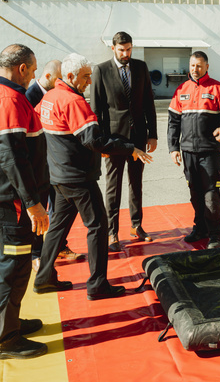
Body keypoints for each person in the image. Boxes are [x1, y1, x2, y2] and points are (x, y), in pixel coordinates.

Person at [33, 53, 152, 300]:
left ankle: (43, 277)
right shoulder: (72, 101)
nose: (89, 81)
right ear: (69, 77)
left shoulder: (49, 98)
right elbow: (94, 139)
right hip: (78, 177)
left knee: (57, 227)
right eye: (86, 77)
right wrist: (129, 148)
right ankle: (97, 284)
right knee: (98, 225)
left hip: (58, 176)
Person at [0, 43, 50, 360]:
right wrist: (32, 203)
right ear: (22, 69)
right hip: (11, 200)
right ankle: (5, 339)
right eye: (32, 70)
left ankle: (7, 322)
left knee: (0, 258)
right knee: (14, 265)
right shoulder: (7, 98)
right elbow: (12, 156)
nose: (32, 76)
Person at [91, 32, 158, 252]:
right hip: (114, 139)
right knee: (113, 187)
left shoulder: (140, 67)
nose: (126, 54)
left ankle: (136, 225)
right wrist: (100, 143)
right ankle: (112, 232)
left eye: (129, 49)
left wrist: (153, 134)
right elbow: (96, 110)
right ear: (113, 49)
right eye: (121, 50)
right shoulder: (101, 71)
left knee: (136, 183)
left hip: (138, 136)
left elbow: (149, 101)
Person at [168, 51, 220, 249]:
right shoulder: (181, 89)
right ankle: (200, 228)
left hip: (209, 152)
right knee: (195, 194)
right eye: (192, 65)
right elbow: (173, 122)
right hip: (188, 152)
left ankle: (215, 234)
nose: (195, 69)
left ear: (207, 67)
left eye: (199, 66)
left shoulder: (218, 88)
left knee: (210, 195)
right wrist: (173, 148)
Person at [25, 59, 84, 270]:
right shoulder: (29, 97)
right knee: (40, 209)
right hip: (39, 165)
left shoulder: (61, 94)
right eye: (60, 78)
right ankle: (36, 252)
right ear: (49, 77)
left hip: (56, 164)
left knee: (59, 209)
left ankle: (59, 245)